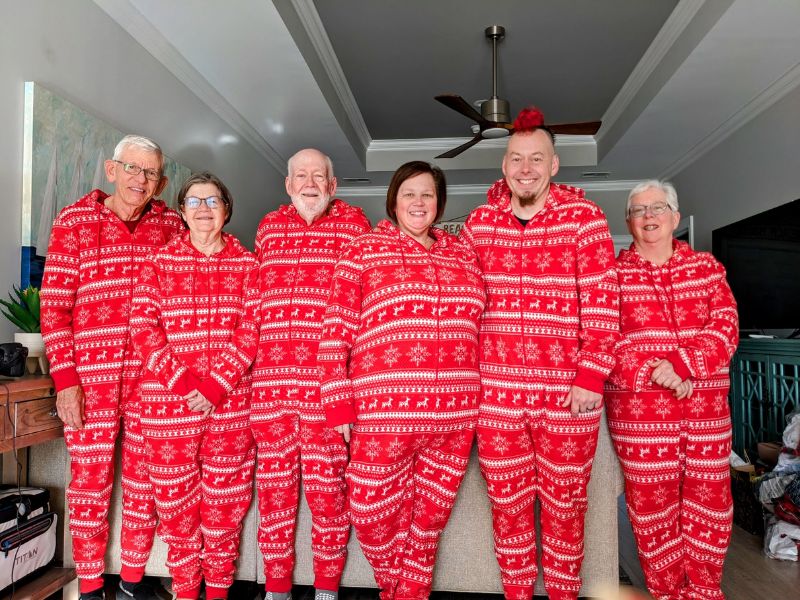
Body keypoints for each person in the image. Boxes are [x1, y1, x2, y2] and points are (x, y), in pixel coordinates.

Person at [458, 107, 620, 600]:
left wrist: (591, 376)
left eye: (536, 158)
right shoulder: (478, 225)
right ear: (503, 166)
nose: (525, 168)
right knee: (506, 507)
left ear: (554, 166)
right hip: (497, 398)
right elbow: (463, 303)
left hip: (567, 396)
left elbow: (603, 303)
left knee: (566, 507)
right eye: (515, 158)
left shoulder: (585, 219)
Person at [318, 161, 486, 600]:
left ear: (439, 203)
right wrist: (338, 404)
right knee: (371, 510)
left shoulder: (462, 253)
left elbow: (485, 324)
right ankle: (397, 588)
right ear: (393, 200)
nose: (418, 202)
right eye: (408, 193)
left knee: (430, 520)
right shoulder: (363, 250)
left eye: (427, 194)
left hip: (455, 413)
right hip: (383, 413)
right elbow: (335, 330)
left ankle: (408, 593)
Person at [40, 135, 184, 600]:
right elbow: (55, 308)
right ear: (111, 169)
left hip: (152, 380)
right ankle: (90, 585)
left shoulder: (172, 224)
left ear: (160, 181)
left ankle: (134, 581)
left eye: (150, 173)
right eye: (132, 169)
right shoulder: (74, 221)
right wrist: (66, 381)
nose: (140, 181)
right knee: (89, 483)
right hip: (90, 379)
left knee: (145, 482)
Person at [605, 180, 738, 599]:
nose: (649, 217)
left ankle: (703, 591)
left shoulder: (708, 269)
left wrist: (682, 364)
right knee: (651, 510)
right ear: (628, 222)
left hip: (707, 414)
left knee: (710, 507)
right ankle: (666, 593)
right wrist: (654, 370)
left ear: (675, 218)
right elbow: (601, 338)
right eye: (639, 210)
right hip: (640, 419)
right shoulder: (610, 276)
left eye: (658, 208)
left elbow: (725, 326)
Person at [129, 172, 260, 600]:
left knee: (226, 505)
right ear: (182, 212)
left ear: (227, 209)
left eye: (213, 200)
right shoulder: (158, 263)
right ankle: (186, 590)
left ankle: (218, 591)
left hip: (231, 408)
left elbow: (252, 330)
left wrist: (216, 386)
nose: (204, 209)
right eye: (195, 202)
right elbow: (144, 328)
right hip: (168, 408)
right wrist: (186, 385)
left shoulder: (249, 265)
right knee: (176, 508)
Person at [250, 148, 370, 600]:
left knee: (328, 500)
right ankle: (276, 590)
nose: (310, 183)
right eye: (300, 175)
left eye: (319, 176)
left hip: (327, 392)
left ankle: (326, 590)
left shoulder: (357, 228)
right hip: (270, 391)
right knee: (275, 498)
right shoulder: (267, 229)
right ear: (288, 184)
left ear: (333, 185)